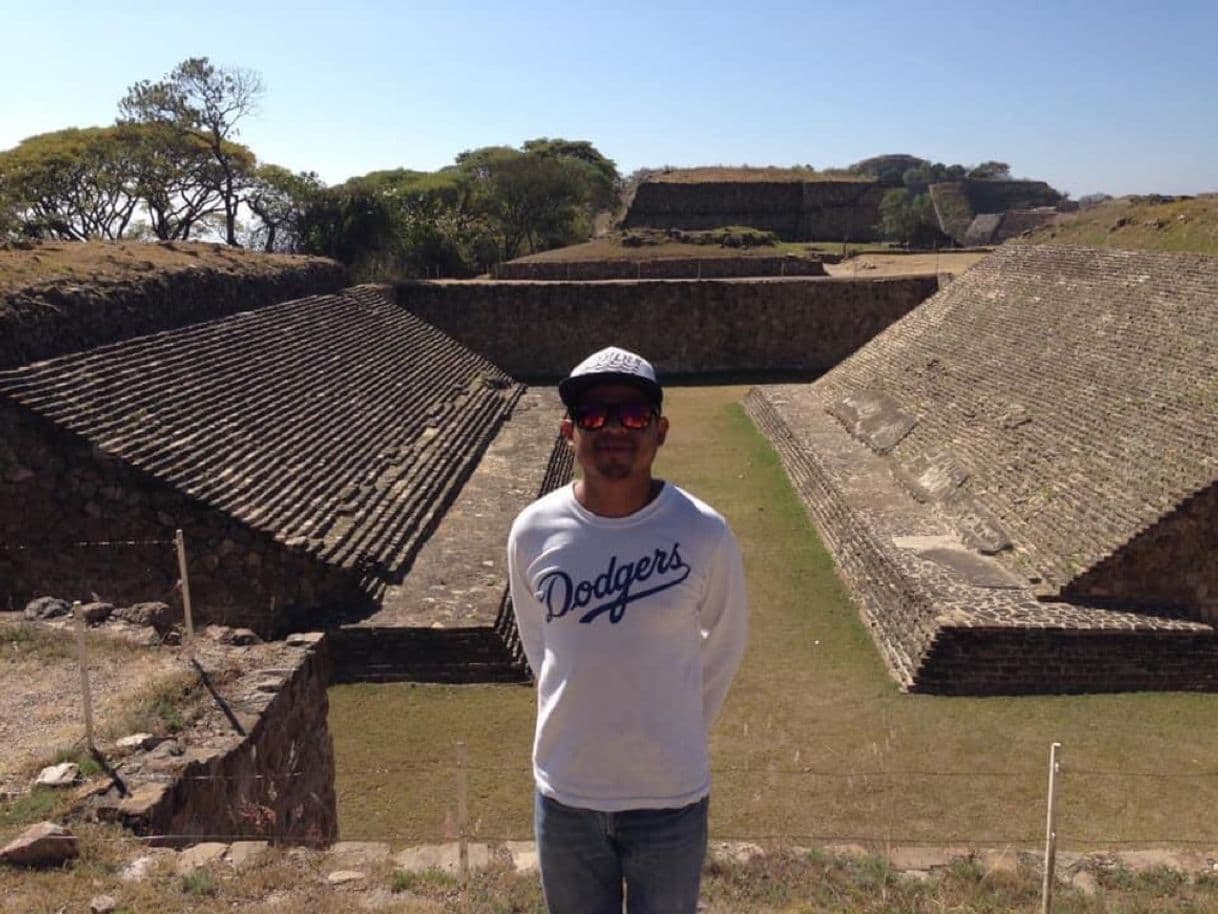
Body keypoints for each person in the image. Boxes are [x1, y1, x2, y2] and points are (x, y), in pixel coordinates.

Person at [507, 346, 749, 914]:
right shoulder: (532, 533)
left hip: (670, 798)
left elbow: (728, 641)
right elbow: (541, 646)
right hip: (566, 793)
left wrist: (679, 724)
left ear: (660, 431)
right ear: (569, 431)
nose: (613, 428)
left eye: (633, 415)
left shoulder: (704, 533)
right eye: (594, 414)